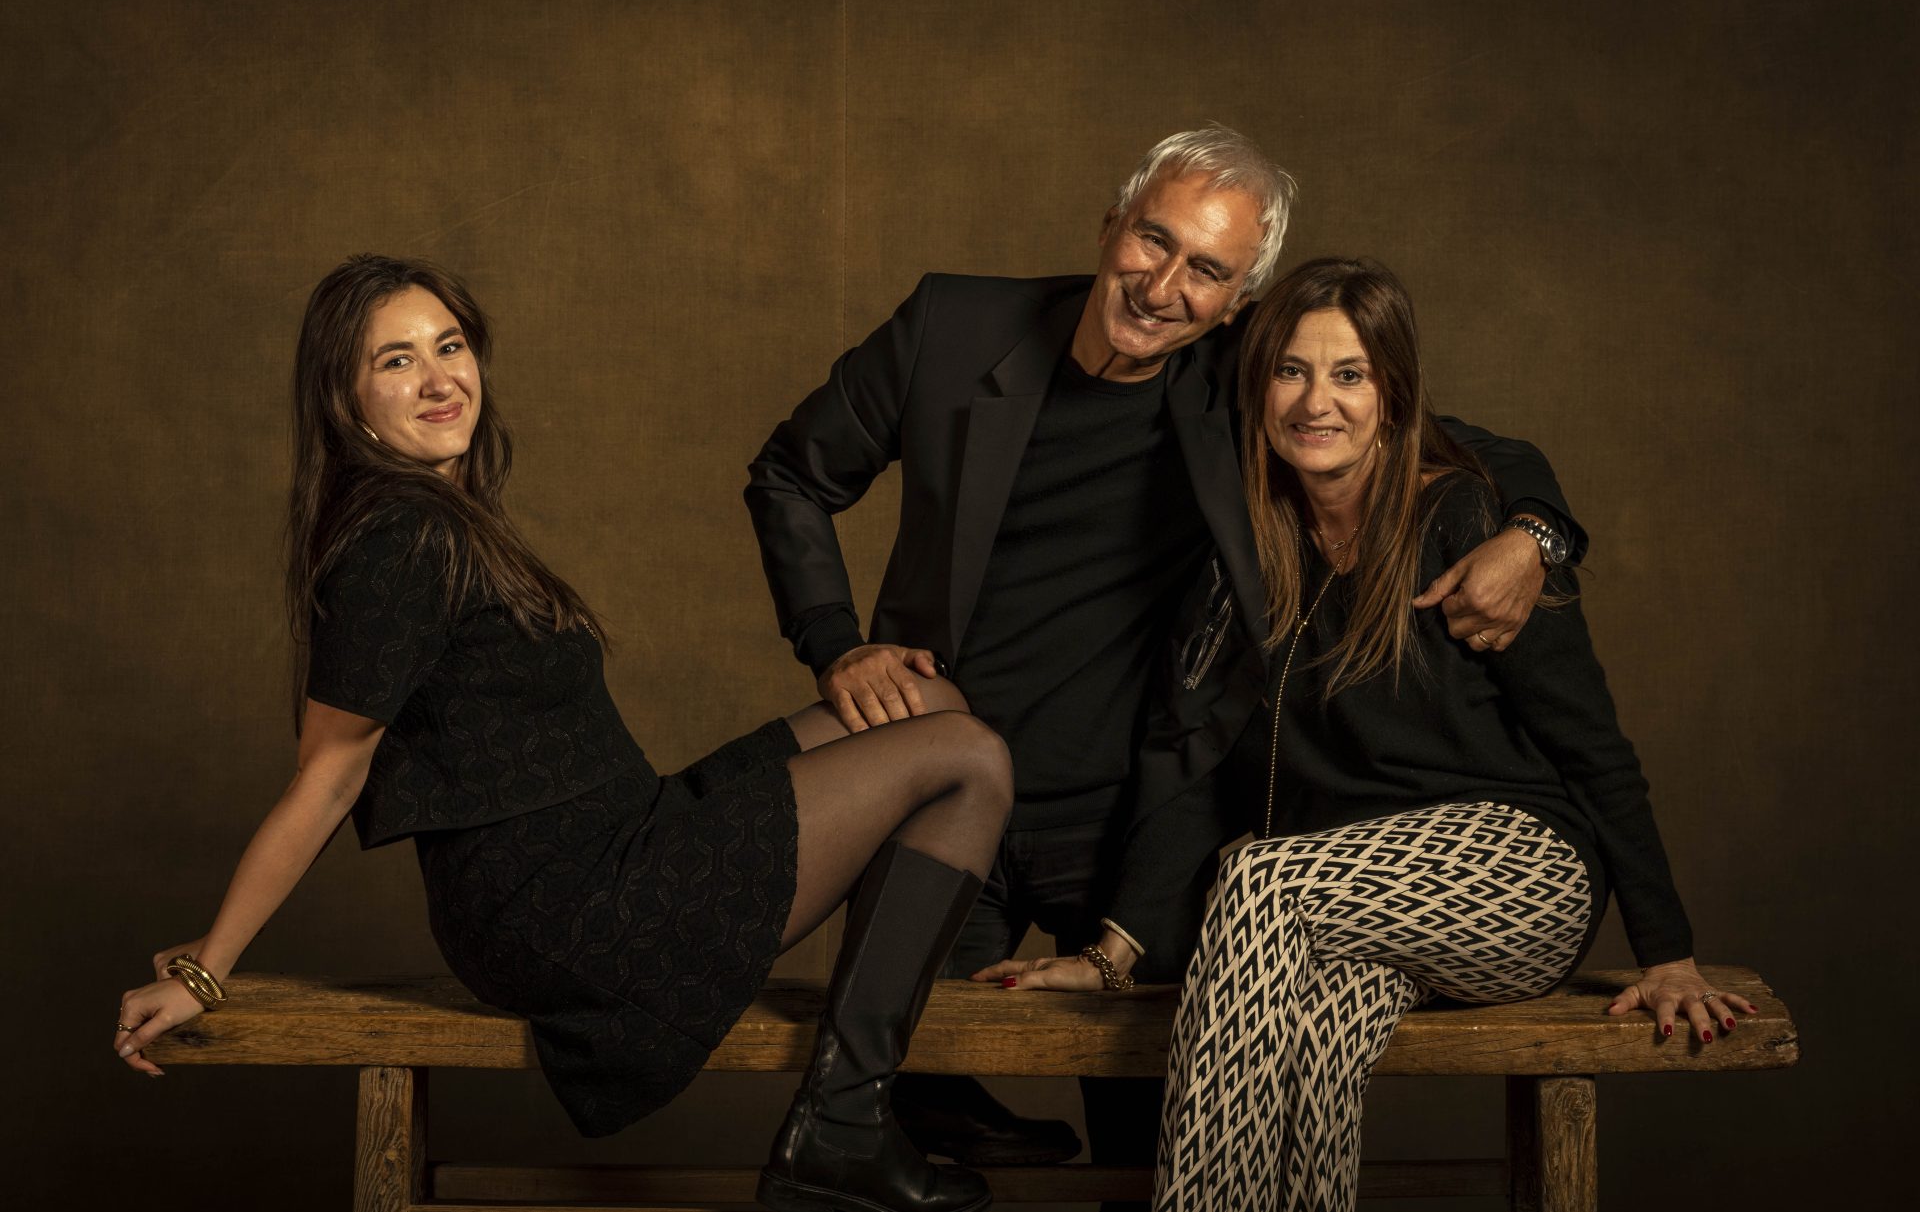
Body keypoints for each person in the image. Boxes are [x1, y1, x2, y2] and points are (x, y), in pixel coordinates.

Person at [745, 126, 1589, 1174]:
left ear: (1238, 302)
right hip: (947, 800)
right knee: (900, 1114)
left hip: (1131, 824)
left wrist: (1536, 533)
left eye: (1206, 270)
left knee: (1152, 1159)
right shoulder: (954, 327)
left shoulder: (1242, 376)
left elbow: (1433, 433)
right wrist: (836, 645)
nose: (1162, 287)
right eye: (1154, 240)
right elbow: (791, 473)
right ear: (1112, 224)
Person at [111, 254, 1016, 1212]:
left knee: (931, 703)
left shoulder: (449, 518)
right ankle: (844, 1123)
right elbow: (329, 774)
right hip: (567, 908)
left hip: (622, 836)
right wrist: (209, 967)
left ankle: (895, 1096)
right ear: (348, 401)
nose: (438, 379)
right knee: (970, 757)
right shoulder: (398, 539)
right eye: (396, 361)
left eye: (449, 346)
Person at [978, 257, 1754, 1211]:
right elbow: (1200, 766)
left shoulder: (1468, 521)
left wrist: (1668, 952)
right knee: (1320, 1033)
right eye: (1290, 371)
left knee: (1257, 876)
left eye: (1349, 374)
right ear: (1257, 386)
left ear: (1393, 392)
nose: (1317, 402)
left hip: (1519, 874)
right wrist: (1112, 952)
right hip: (1337, 906)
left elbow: (1595, 746)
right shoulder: (1245, 555)